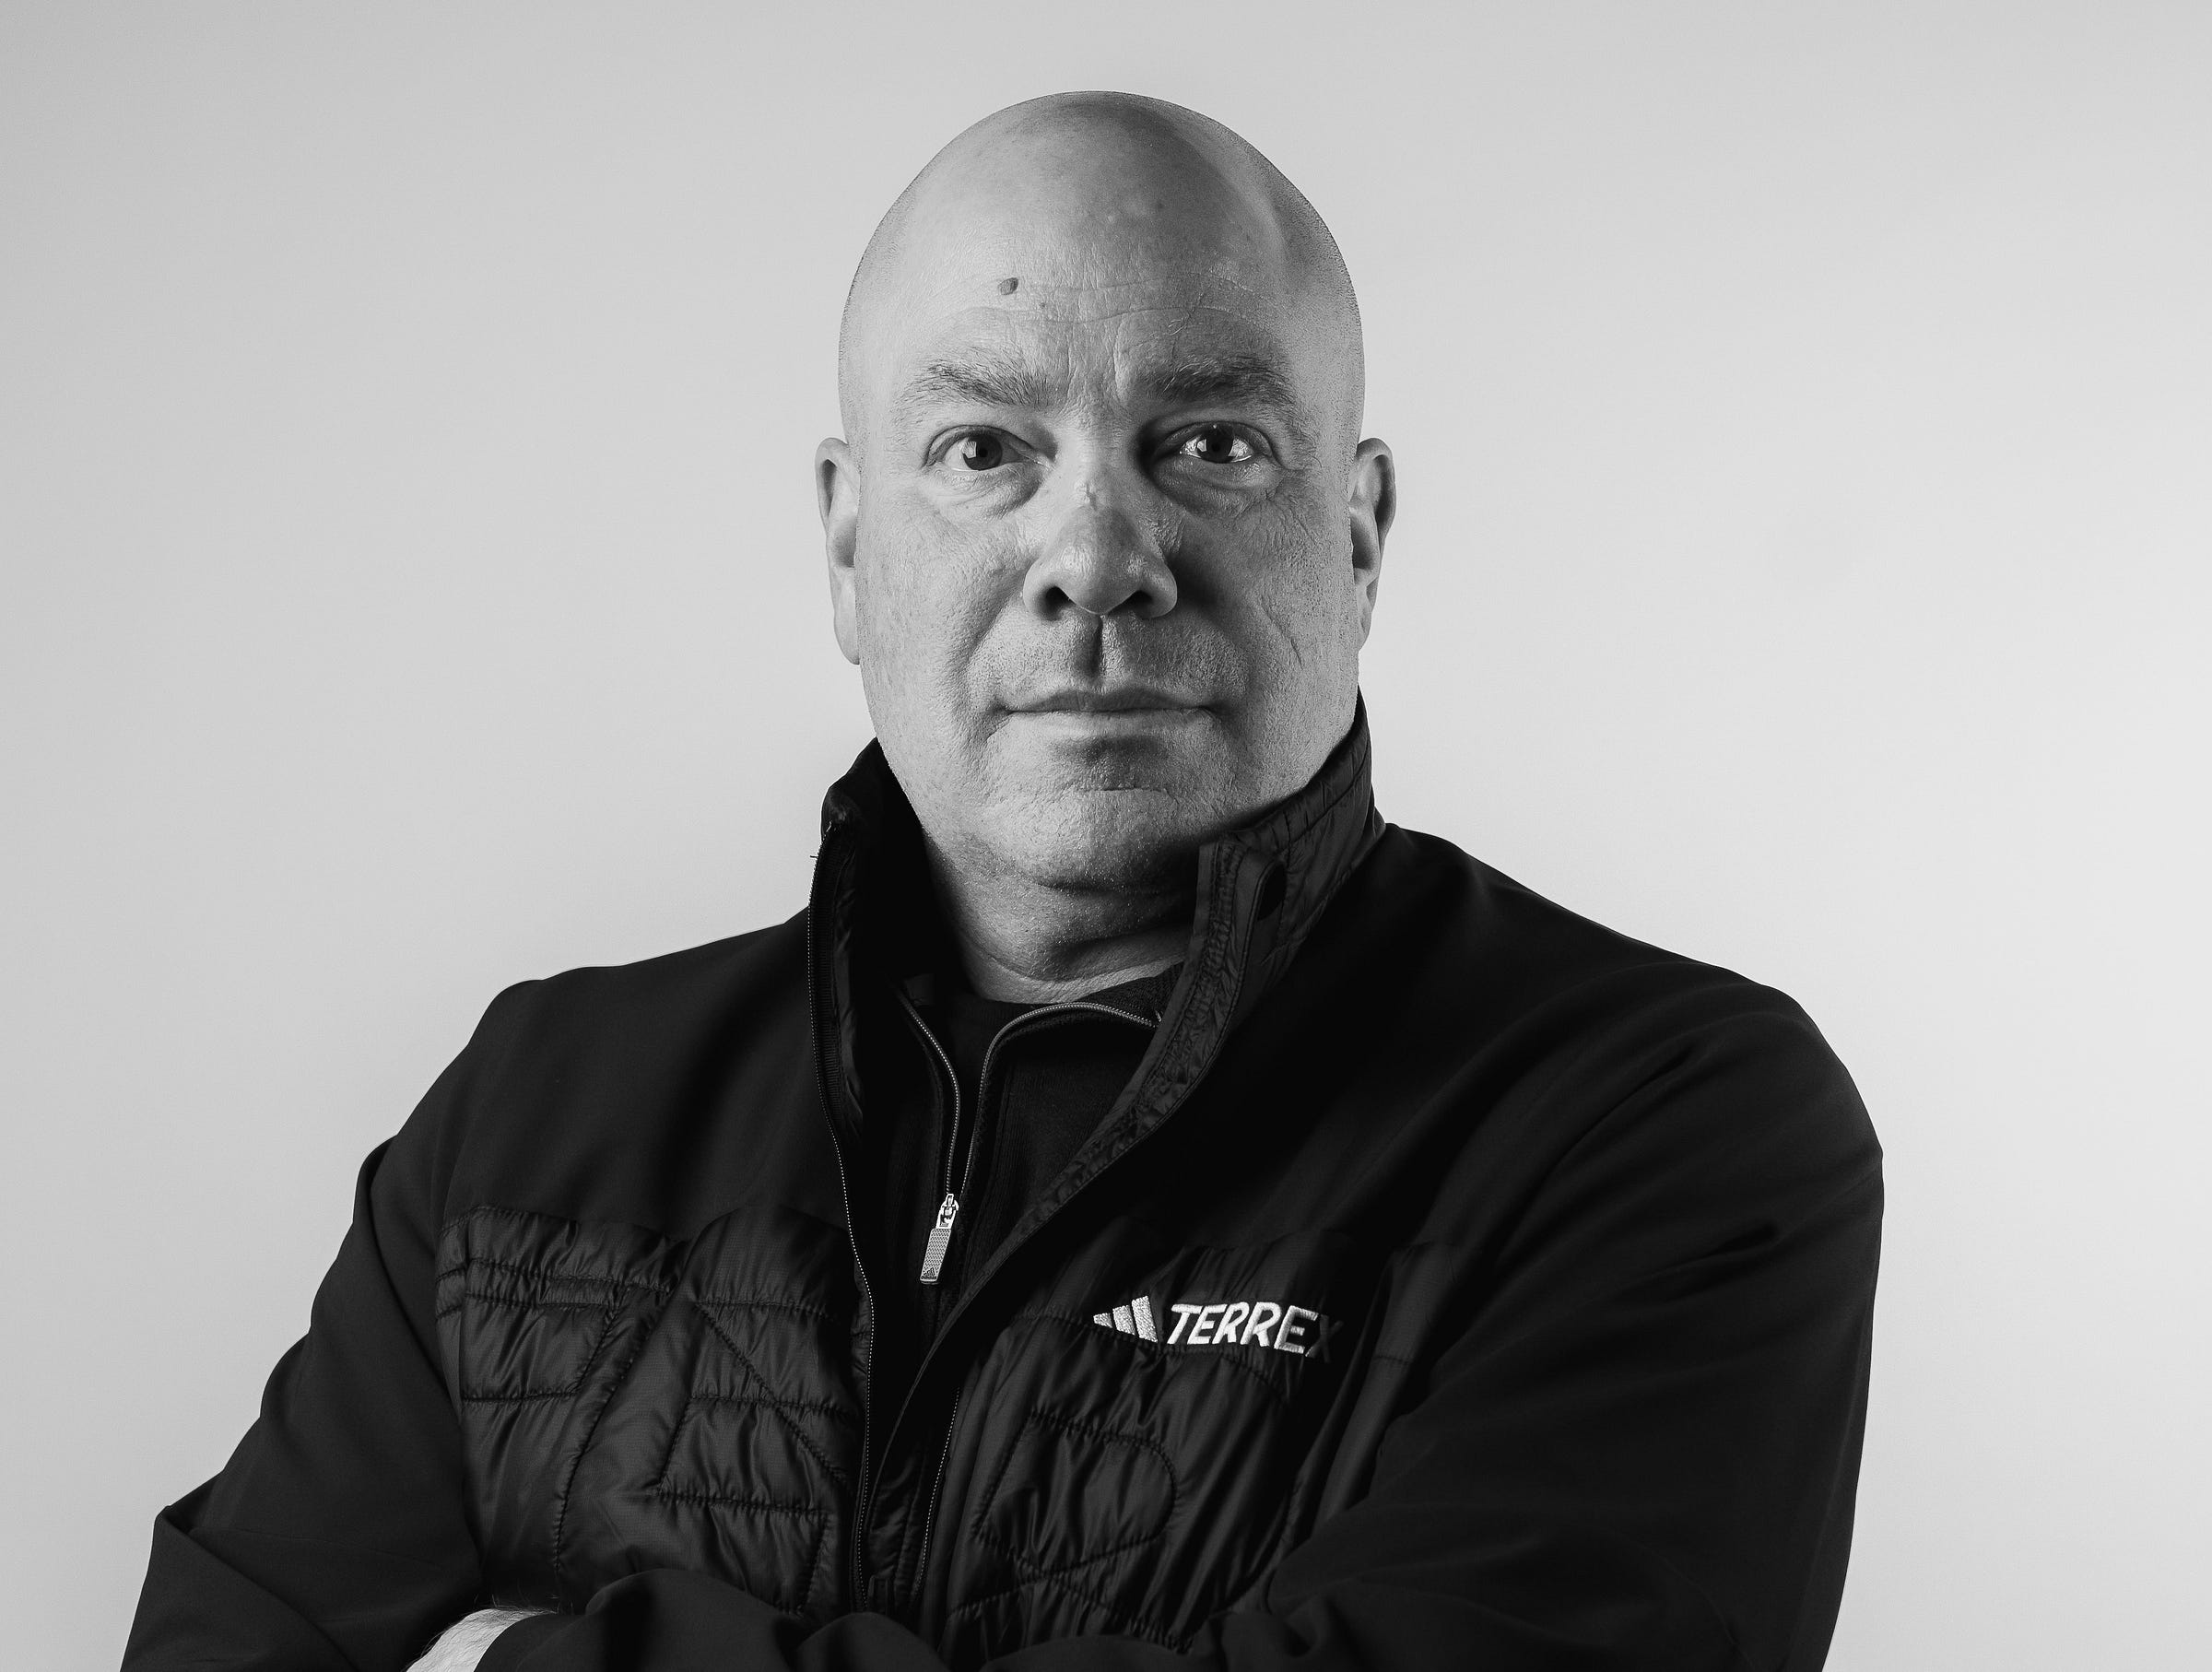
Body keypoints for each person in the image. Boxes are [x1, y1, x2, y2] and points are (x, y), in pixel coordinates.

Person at [123, 91, 1882, 1672]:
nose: (1096, 559)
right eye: (985, 450)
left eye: (1211, 442)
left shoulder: (1661, 1124)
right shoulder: (536, 1111)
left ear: (1356, 538)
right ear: (848, 543)